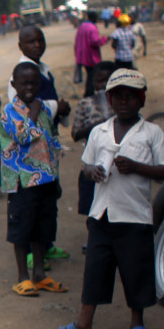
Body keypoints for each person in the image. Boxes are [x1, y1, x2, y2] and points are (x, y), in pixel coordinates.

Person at [49, 69, 164, 329]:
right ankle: (83, 324)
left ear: (142, 100)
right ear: (109, 99)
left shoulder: (151, 134)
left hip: (135, 217)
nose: (124, 101)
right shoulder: (100, 131)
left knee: (136, 271)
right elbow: (85, 167)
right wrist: (92, 171)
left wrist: (136, 167)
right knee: (95, 270)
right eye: (118, 96)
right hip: (101, 215)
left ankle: (137, 324)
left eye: (131, 96)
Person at [1, 62, 64, 296]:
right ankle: (22, 277)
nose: (30, 87)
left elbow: (52, 142)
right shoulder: (10, 111)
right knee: (22, 229)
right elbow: (23, 136)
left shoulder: (45, 110)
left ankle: (39, 274)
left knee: (42, 228)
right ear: (14, 84)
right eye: (24, 83)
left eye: (34, 83)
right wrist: (34, 111)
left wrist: (56, 176)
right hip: (22, 182)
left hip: (45, 180)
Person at [72, 61, 118, 218]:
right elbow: (75, 134)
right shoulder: (86, 104)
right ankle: (92, 239)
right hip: (93, 161)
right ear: (93, 82)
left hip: (116, 162)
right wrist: (98, 124)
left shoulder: (121, 105)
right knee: (92, 205)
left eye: (108, 81)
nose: (104, 85)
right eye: (100, 81)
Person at [74, 10, 108, 96]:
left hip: (82, 56)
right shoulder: (92, 28)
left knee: (90, 75)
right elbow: (95, 42)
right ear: (93, 18)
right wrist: (105, 39)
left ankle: (89, 93)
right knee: (92, 77)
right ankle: (89, 94)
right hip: (91, 57)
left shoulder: (82, 26)